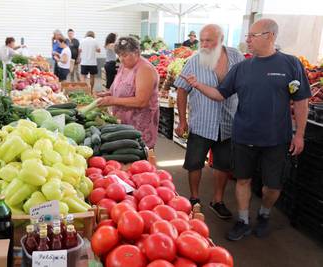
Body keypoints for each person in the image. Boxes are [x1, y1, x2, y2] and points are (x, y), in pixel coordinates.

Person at [183, 19, 311, 240]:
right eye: (247, 36)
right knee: (242, 180)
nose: (248, 40)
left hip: (277, 139)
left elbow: (301, 101)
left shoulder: (290, 64)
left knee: (273, 186)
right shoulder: (242, 67)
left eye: (253, 36)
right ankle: (242, 220)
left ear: (270, 36)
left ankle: (264, 214)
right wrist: (198, 85)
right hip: (243, 136)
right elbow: (220, 94)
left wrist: (299, 134)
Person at [174, 24, 245, 219]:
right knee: (194, 163)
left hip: (229, 122)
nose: (203, 44)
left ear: (221, 39)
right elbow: (181, 89)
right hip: (202, 122)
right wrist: (182, 121)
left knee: (223, 164)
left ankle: (217, 200)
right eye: (201, 40)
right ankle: (194, 198)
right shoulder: (194, 61)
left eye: (209, 40)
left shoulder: (236, 57)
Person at [97, 37, 159, 148]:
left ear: (137, 52)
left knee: (140, 154)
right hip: (124, 122)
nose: (121, 59)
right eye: (119, 55)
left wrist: (113, 100)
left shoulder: (145, 70)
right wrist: (107, 94)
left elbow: (141, 101)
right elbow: (117, 87)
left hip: (139, 125)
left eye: (125, 55)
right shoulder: (124, 66)